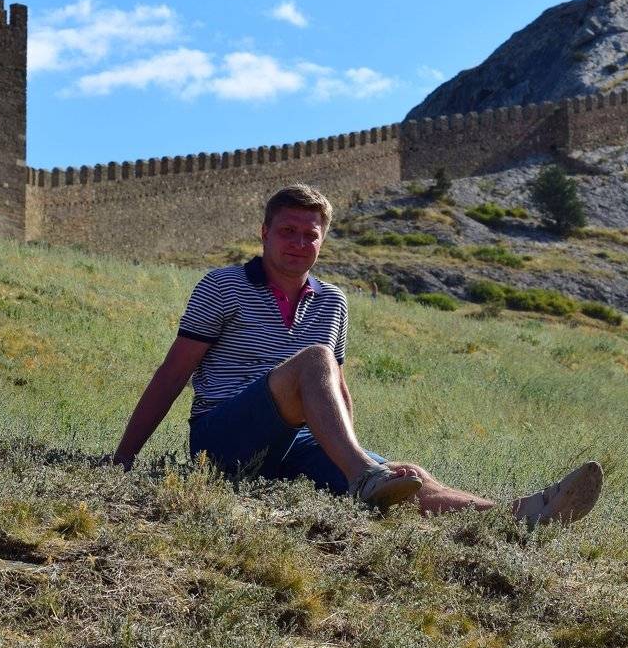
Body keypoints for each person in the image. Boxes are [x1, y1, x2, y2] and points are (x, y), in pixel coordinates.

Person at [112, 183, 603, 522]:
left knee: (410, 479)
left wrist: (360, 455)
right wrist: (123, 459)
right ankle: (364, 475)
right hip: (224, 442)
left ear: (323, 241)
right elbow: (172, 374)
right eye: (287, 231)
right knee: (315, 359)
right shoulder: (222, 286)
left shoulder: (333, 302)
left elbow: (336, 391)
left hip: (299, 447)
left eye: (310, 234)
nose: (299, 243)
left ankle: (520, 515)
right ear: (263, 233)